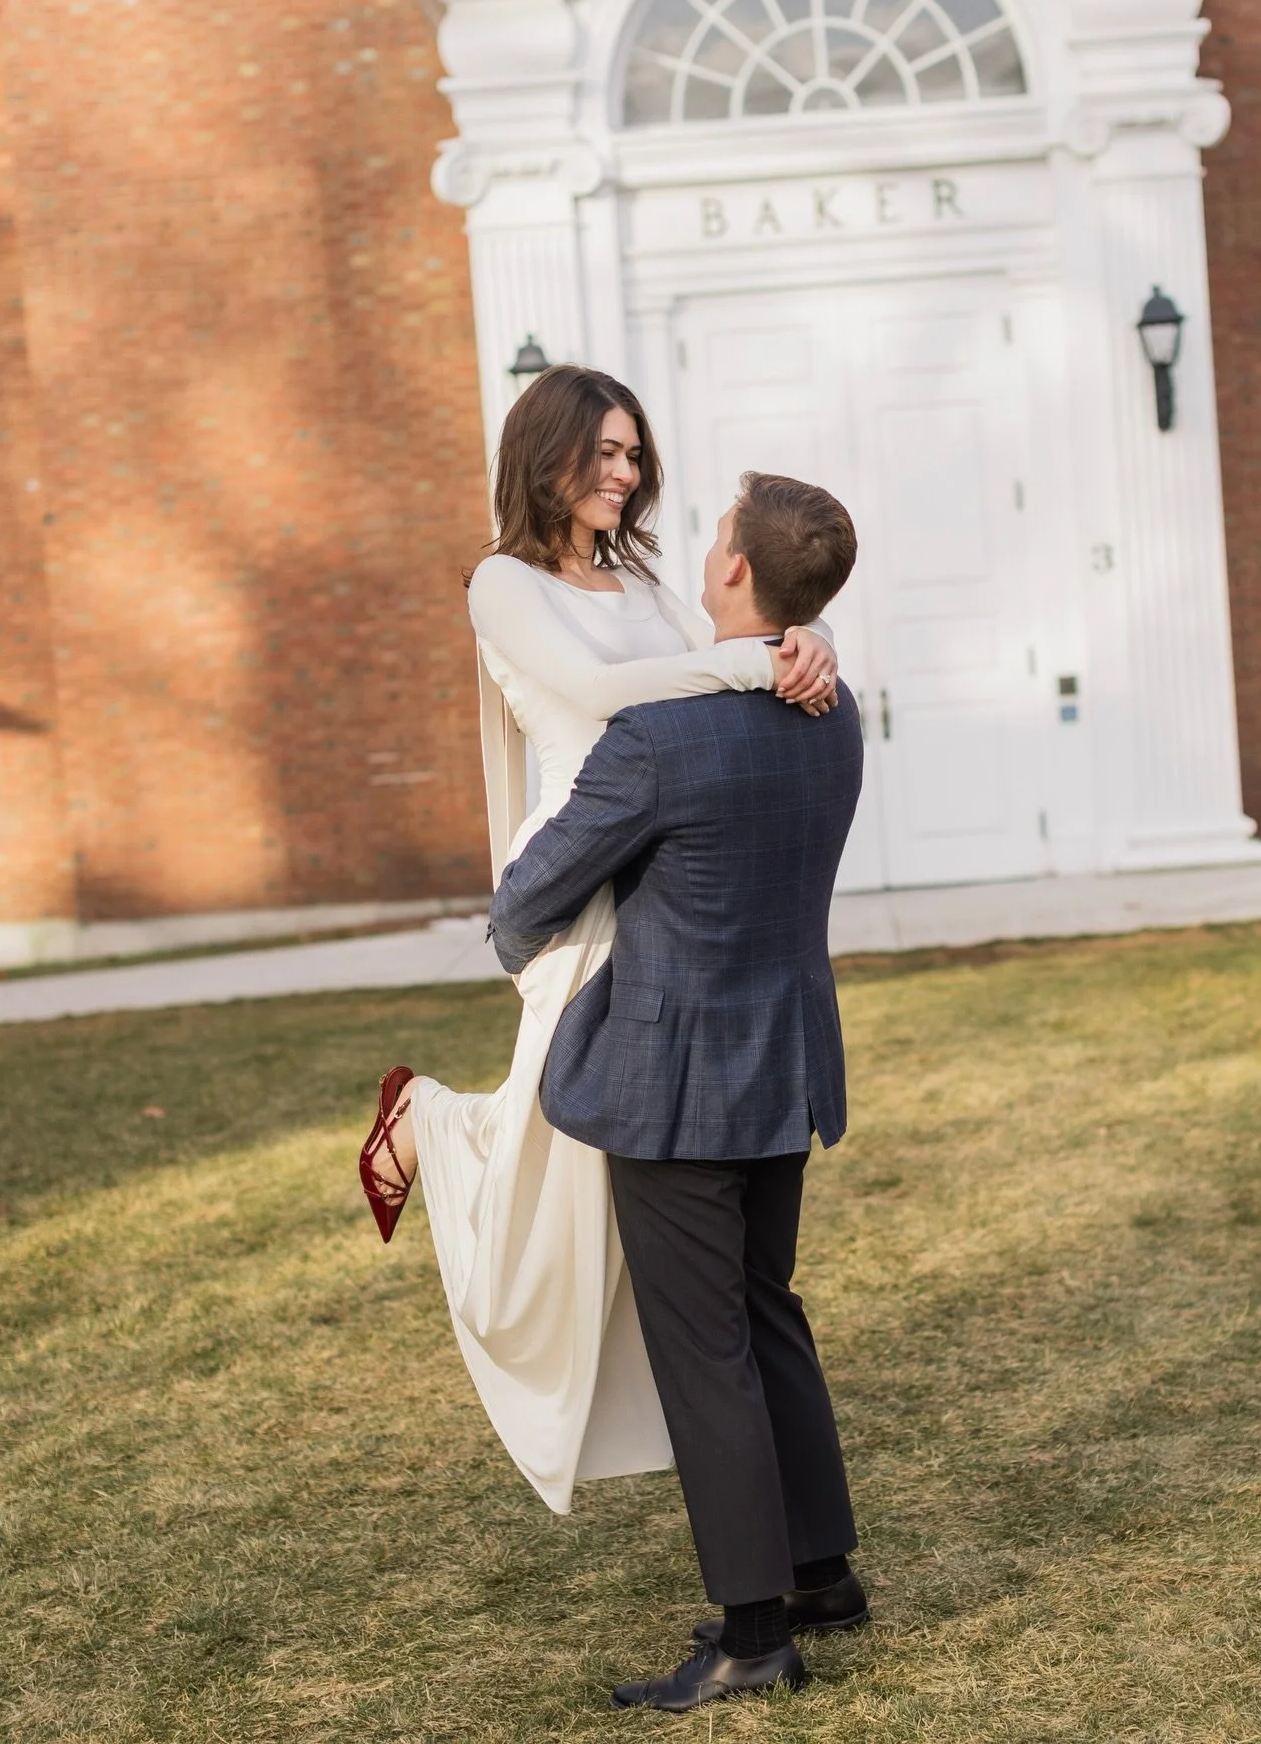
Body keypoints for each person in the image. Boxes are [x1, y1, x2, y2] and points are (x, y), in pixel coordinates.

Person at [355, 365, 840, 1516]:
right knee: (552, 1168)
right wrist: (754, 661)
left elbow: (726, 655)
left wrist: (798, 636)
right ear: (549, 454)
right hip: (581, 870)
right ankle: (421, 1116)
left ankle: (685, 1430)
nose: (624, 472)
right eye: (604, 452)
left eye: (633, 453)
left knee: (591, 1179)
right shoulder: (504, 584)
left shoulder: (640, 576)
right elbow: (604, 690)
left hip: (667, 872)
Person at [488, 472, 868, 1712]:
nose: (701, 550)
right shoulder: (833, 705)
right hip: (786, 1051)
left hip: (673, 1074)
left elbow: (527, 897)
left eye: (714, 541)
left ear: (737, 577)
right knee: (768, 1308)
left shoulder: (660, 737)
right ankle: (821, 1572)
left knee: (705, 1347)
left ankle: (753, 1631)